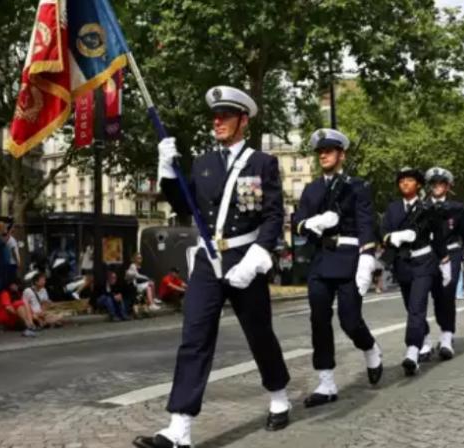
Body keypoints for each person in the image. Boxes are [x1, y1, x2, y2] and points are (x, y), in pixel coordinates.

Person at [134, 86, 291, 448]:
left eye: (226, 115)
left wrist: (257, 258)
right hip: (207, 260)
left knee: (259, 334)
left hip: (244, 258)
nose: (217, 121)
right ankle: (179, 427)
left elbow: (272, 216)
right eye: (215, 116)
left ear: (243, 120)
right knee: (194, 337)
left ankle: (279, 394)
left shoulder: (261, 163)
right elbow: (181, 203)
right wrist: (166, 170)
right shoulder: (204, 162)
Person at [292, 129, 384, 408]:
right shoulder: (312, 189)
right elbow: (298, 223)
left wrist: (367, 257)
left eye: (329, 151)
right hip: (321, 260)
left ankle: (370, 349)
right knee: (318, 321)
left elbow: (367, 222)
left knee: (349, 321)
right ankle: (326, 382)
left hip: (348, 258)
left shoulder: (356, 186)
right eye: (320, 151)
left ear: (341, 155)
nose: (323, 155)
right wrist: (310, 224)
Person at [381, 167, 446, 376]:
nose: (404, 184)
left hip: (424, 261)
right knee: (411, 307)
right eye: (401, 181)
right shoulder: (392, 209)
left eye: (409, 180)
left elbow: (439, 235)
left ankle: (412, 351)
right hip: (402, 263)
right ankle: (424, 339)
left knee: (418, 306)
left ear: (418, 184)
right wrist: (393, 237)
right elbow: (382, 232)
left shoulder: (428, 207)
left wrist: (445, 263)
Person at [423, 166, 464, 361]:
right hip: (429, 254)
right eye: (433, 183)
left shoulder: (457, 208)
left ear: (447, 186)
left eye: (441, 183)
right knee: (432, 296)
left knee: (447, 292)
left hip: (451, 252)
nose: (437, 187)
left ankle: (446, 336)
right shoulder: (422, 207)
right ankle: (425, 338)